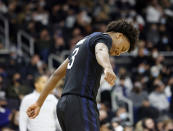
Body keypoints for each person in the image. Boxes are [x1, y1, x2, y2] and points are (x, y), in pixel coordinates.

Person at [26, 19, 139, 131]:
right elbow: (100, 49)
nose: (119, 53)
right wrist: (108, 67)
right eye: (123, 48)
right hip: (81, 102)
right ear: (119, 35)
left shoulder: (83, 43)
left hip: (64, 105)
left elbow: (56, 74)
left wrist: (38, 103)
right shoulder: (104, 38)